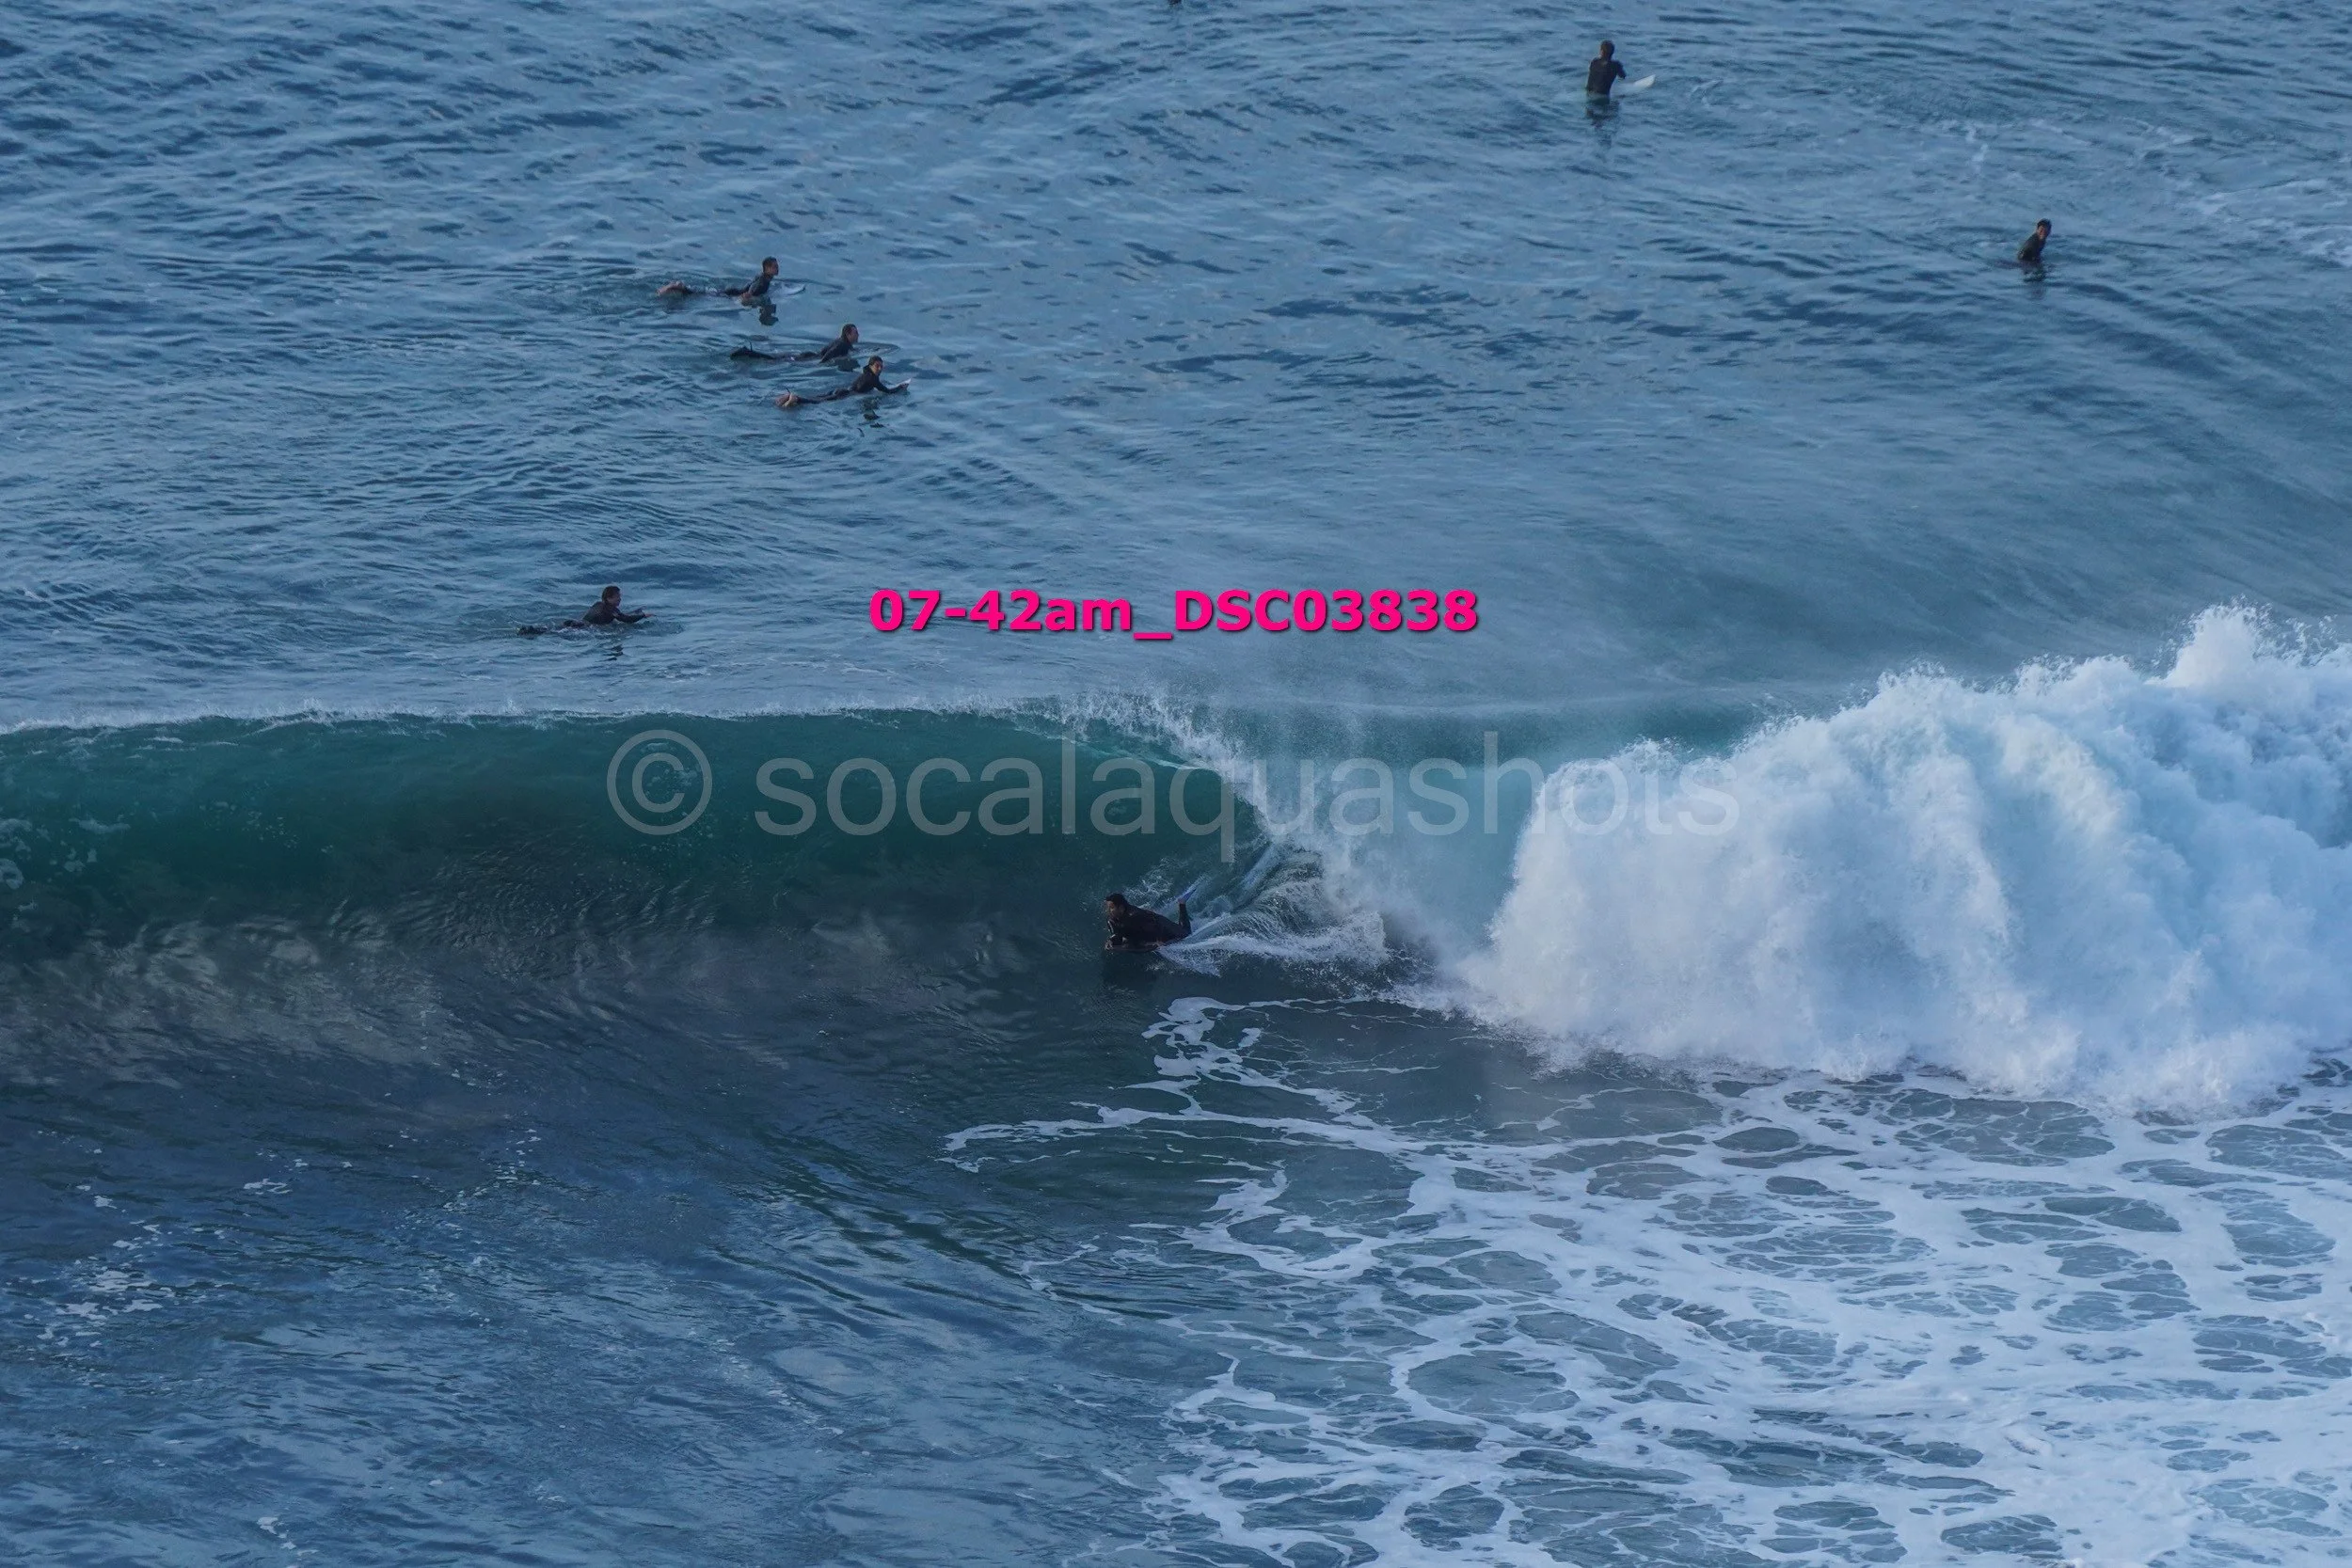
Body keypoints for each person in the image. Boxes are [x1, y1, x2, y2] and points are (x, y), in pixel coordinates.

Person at [775, 356, 910, 407]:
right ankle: (796, 398)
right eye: (877, 366)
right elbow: (886, 391)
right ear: (870, 366)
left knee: (817, 398)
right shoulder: (872, 379)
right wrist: (900, 387)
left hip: (841, 390)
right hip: (844, 394)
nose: (880, 368)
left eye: (881, 366)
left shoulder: (866, 374)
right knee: (818, 402)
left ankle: (790, 397)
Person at [519, 585, 647, 635]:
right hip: (582, 627)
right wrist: (644, 615)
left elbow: (622, 615)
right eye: (617, 597)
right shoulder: (611, 610)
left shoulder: (599, 604)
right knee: (554, 633)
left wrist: (636, 612)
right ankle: (531, 632)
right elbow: (626, 620)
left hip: (575, 621)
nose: (620, 599)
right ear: (609, 598)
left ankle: (532, 630)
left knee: (552, 629)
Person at [658, 258, 782, 303]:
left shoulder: (762, 276)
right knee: (698, 295)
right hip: (732, 294)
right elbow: (752, 290)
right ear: (767, 268)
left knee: (703, 293)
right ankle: (677, 287)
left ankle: (680, 287)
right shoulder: (763, 281)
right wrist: (747, 297)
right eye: (775, 267)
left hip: (732, 291)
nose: (777, 269)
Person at [731, 325, 859, 364]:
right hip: (809, 358)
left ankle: (749, 352)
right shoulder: (843, 344)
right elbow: (830, 354)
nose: (858, 335)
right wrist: (820, 365)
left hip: (809, 355)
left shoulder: (842, 341)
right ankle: (747, 352)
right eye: (856, 333)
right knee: (773, 360)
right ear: (848, 334)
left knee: (776, 358)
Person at [1104, 893, 1190, 950]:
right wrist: (1111, 940)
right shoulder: (1112, 919)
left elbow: (1156, 928)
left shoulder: (1134, 916)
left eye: (1111, 908)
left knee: (1185, 934)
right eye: (1108, 907)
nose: (1108, 910)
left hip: (1159, 924)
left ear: (1121, 908)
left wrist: (1157, 942)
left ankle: (1182, 903)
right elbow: (1118, 934)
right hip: (1147, 924)